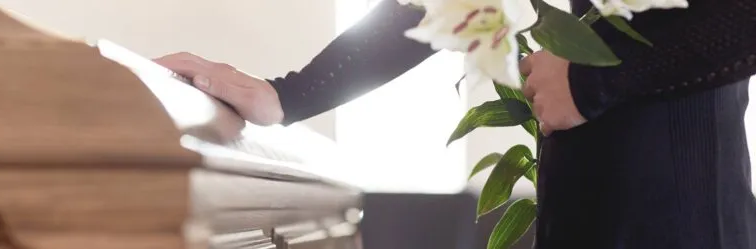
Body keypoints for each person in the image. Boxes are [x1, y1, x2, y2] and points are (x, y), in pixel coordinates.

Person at [155, 0, 756, 248]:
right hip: (582, 207)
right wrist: (288, 94)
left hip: (685, 214)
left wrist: (599, 77)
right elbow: (441, 6)